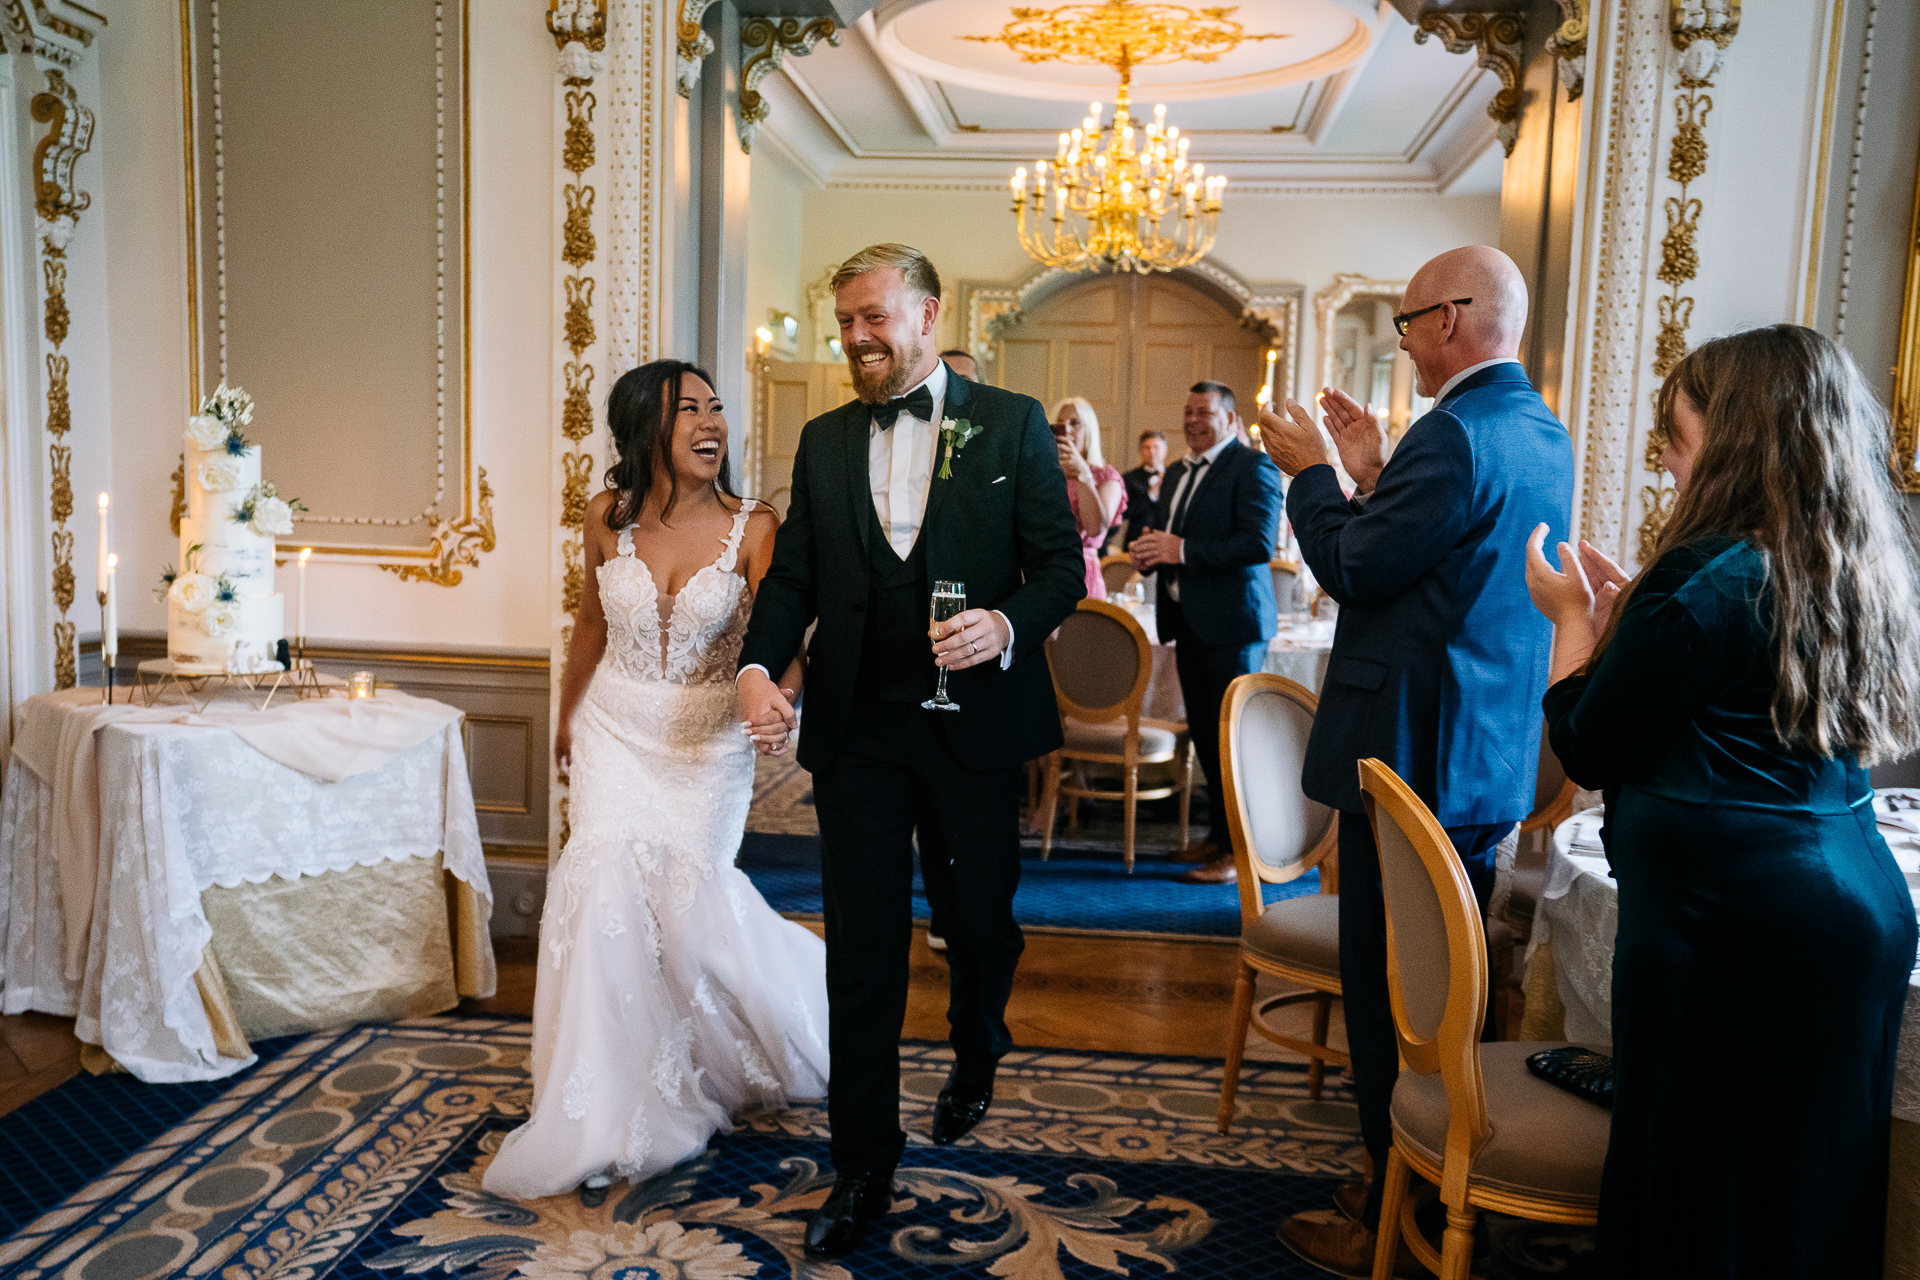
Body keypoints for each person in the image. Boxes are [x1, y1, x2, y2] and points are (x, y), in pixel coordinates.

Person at [1527, 325, 1920, 1279]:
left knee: (1704, 1190)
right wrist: (1635, 629)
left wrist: (1578, 620)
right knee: (1808, 1183)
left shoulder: (1705, 576)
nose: (1664, 455)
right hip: (1856, 907)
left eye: (1675, 432)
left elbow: (1587, 741)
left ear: (1734, 434)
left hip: (1736, 926)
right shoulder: (1854, 564)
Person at [736, 244, 1085, 1259]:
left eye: (873, 316)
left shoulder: (1011, 422)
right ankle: (863, 1161)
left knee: (978, 924)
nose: (855, 336)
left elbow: (1059, 569)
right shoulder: (825, 438)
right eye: (845, 319)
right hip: (862, 729)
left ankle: (980, 1036)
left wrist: (1006, 626)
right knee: (863, 948)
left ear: (926, 314)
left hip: (974, 723)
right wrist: (761, 665)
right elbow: (794, 578)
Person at [1256, 245, 1574, 1278]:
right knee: (1449, 988)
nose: (1402, 341)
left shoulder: (1457, 433)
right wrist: (1373, 475)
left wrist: (1308, 472)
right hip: (1484, 749)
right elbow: (1447, 563)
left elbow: (1354, 566)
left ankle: (1402, 1199)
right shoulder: (1539, 431)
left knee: (1396, 989)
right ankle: (1422, 1180)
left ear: (1453, 318)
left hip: (1410, 758)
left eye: (1406, 323)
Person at [485, 361, 828, 1201]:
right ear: (647, 429)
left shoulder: (757, 526)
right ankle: (606, 1096)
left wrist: (781, 698)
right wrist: (566, 716)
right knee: (600, 884)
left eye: (716, 408)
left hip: (708, 743)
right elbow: (592, 621)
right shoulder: (606, 517)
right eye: (689, 410)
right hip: (613, 727)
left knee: (688, 911)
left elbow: (780, 636)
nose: (711, 421)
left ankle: (769, 1024)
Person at [1130, 381, 1283, 885]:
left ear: (1231, 419)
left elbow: (1257, 544)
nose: (1193, 421)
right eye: (1188, 411)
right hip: (1188, 625)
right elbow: (1169, 536)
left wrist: (1182, 552)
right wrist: (1150, 551)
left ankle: (1241, 854)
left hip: (1233, 627)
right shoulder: (1176, 471)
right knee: (1206, 739)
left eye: (1205, 413)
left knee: (1232, 745)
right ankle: (1218, 836)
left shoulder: (1252, 466)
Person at [1051, 396, 1126, 598]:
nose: (1067, 429)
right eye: (1060, 423)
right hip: (1043, 569)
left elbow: (1094, 529)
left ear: (1089, 430)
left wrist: (1083, 474)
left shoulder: (1106, 476)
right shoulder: (1046, 473)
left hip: (1081, 572)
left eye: (1075, 423)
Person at [1120, 430, 1168, 550]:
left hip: (1166, 542)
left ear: (1165, 450)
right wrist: (1150, 496)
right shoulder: (1129, 477)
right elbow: (1124, 512)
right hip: (1136, 541)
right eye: (1147, 448)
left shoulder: (1174, 476)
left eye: (1156, 447)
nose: (1152, 452)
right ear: (1141, 451)